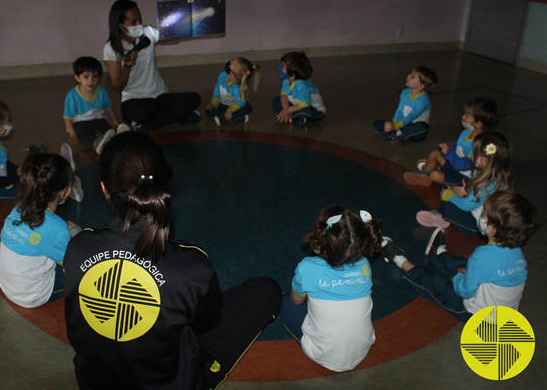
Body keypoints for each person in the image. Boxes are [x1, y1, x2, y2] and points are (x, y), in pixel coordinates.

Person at [64, 132, 281, 390]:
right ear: (165, 186)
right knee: (265, 292)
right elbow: (207, 323)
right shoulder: (192, 266)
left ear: (104, 189)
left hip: (96, 383)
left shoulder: (77, 247)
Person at [386, 191, 537, 322]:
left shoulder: (482, 256)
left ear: (492, 229)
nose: (482, 216)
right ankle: (439, 255)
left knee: (438, 284)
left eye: (485, 214)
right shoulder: (516, 251)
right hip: (502, 314)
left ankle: (401, 261)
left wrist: (456, 279)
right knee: (466, 266)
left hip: (477, 316)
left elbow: (464, 291)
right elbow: (488, 272)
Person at [278, 206, 381, 372]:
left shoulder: (307, 267)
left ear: (320, 241)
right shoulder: (364, 265)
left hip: (321, 352)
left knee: (282, 299)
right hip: (363, 348)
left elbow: (296, 300)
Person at [104, 0, 201, 133]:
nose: (139, 24)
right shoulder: (111, 48)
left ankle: (149, 126)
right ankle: (175, 115)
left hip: (159, 96)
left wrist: (187, 8)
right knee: (139, 113)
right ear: (121, 25)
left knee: (193, 98)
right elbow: (117, 85)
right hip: (135, 101)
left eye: (140, 19)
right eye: (133, 22)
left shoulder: (148, 32)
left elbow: (174, 35)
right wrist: (127, 67)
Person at [0, 153, 79, 308]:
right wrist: (76, 236)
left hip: (8, 284)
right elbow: (73, 263)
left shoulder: (18, 208)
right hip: (32, 294)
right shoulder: (56, 228)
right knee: (85, 271)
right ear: (65, 191)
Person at [416, 132, 513, 237]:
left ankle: (442, 216)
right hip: (474, 206)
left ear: (484, 161)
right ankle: (443, 212)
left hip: (478, 228)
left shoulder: (487, 183)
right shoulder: (493, 174)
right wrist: (466, 191)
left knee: (448, 206)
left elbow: (467, 205)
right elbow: (478, 198)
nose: (471, 155)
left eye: (474, 153)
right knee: (452, 182)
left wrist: (450, 196)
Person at [404, 97, 499, 187]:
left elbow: (466, 165)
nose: (463, 117)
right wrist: (450, 146)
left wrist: (449, 153)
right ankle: (424, 175)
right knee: (435, 153)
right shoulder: (467, 132)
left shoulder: (479, 143)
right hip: (455, 166)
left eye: (467, 116)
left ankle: (431, 171)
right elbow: (459, 146)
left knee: (435, 175)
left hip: (463, 177)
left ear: (478, 123)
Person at [63, 56, 129, 155]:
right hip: (81, 122)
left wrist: (115, 121)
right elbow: (67, 117)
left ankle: (116, 137)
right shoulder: (72, 96)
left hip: (99, 118)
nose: (91, 81)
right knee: (84, 134)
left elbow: (108, 107)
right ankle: (96, 143)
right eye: (86, 77)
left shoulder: (101, 92)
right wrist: (72, 133)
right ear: (77, 78)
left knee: (107, 129)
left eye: (95, 77)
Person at [373, 66, 438, 143]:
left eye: (413, 76)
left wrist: (395, 125)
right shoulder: (405, 93)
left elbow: (412, 116)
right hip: (403, 124)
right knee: (376, 123)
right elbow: (400, 111)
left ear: (421, 86)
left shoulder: (424, 100)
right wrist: (394, 124)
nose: (408, 76)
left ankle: (396, 134)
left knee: (423, 127)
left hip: (414, 127)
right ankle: (397, 134)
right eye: (410, 74)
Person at [273, 51, 326, 128]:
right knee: (277, 100)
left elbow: (305, 103)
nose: (280, 68)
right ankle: (288, 115)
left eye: (283, 67)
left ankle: (295, 119)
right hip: (296, 105)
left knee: (304, 113)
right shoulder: (286, 81)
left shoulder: (301, 85)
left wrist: (287, 110)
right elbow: (284, 95)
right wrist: (286, 109)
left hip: (313, 109)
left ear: (292, 75)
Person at [205, 57, 260, 126]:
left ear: (234, 74)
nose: (229, 62)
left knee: (247, 107)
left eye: (231, 63)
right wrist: (214, 103)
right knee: (209, 110)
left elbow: (241, 102)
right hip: (223, 104)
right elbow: (217, 89)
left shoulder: (236, 88)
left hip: (234, 106)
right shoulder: (223, 75)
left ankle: (226, 117)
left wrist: (230, 109)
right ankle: (234, 117)